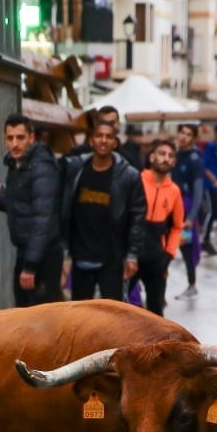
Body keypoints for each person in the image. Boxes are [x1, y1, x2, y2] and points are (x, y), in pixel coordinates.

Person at [0, 113, 63, 307]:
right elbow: (20, 204)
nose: (15, 144)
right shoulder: (18, 165)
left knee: (41, 321)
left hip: (42, 257)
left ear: (31, 138)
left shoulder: (41, 168)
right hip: (27, 253)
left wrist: (31, 266)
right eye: (10, 138)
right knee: (25, 316)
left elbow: (43, 219)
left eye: (20, 137)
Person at [58, 120, 144, 302]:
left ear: (115, 142)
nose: (103, 140)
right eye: (99, 136)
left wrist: (132, 255)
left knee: (113, 317)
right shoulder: (75, 169)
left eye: (109, 137)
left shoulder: (128, 176)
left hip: (112, 257)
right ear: (91, 140)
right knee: (80, 316)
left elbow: (138, 217)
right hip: (80, 256)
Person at [133, 138, 182, 317]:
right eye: (162, 154)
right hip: (132, 253)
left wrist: (168, 254)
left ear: (174, 162)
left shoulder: (174, 190)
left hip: (156, 257)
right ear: (152, 157)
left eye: (170, 156)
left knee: (156, 310)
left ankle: (155, 346)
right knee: (119, 306)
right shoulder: (137, 179)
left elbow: (177, 226)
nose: (166, 159)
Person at [170, 124, 204, 300]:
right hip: (171, 204)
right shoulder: (174, 155)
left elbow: (198, 189)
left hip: (186, 206)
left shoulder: (194, 159)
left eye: (188, 134)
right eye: (181, 132)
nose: (183, 136)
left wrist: (191, 216)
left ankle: (192, 285)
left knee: (187, 248)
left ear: (194, 138)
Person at [199, 123, 217, 254]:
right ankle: (203, 239)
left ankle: (206, 239)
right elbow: (205, 166)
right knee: (209, 212)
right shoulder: (211, 146)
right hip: (209, 185)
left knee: (216, 212)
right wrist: (214, 180)